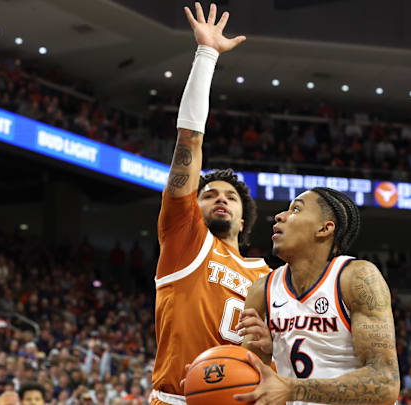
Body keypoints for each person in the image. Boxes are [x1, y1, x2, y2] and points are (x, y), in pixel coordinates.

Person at [151, 4, 269, 405]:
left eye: (231, 196)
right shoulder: (184, 239)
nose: (221, 198)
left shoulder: (269, 277)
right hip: (177, 399)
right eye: (209, 193)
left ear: (242, 217)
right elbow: (189, 142)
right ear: (193, 207)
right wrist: (207, 55)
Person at [236, 188, 400, 405]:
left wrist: (293, 389)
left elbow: (385, 384)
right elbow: (251, 388)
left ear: (325, 228)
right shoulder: (261, 290)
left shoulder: (356, 277)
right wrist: (266, 356)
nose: (279, 216)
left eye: (296, 209)